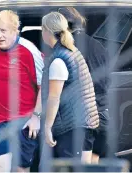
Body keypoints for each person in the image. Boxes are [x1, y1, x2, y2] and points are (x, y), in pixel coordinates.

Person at [0, 10, 44, 172]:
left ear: (15, 30)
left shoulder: (29, 51)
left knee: (20, 169)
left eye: (3, 31)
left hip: (23, 120)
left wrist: (36, 117)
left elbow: (43, 86)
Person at [40, 11, 99, 165]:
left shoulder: (59, 59)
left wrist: (47, 127)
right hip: (85, 123)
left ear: (47, 32)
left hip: (71, 127)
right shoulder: (73, 52)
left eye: (42, 29)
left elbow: (54, 97)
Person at [58, 7, 110, 163]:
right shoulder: (99, 46)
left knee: (77, 164)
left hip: (80, 117)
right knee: (93, 163)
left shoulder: (67, 49)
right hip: (103, 113)